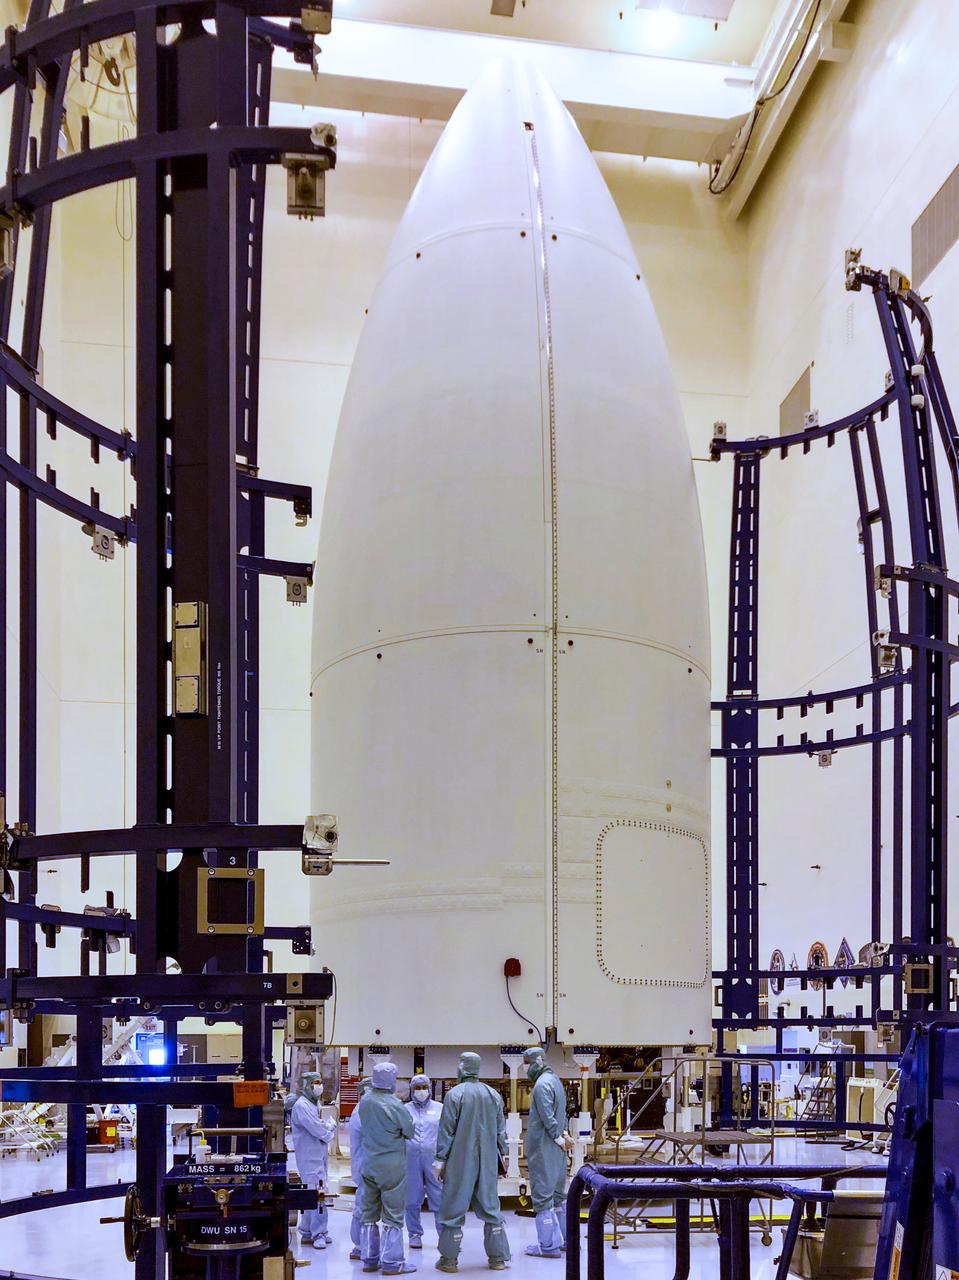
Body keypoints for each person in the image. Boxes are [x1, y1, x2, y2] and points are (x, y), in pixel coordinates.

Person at [433, 1052, 511, 1273]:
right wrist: (502, 1155)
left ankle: (448, 1261)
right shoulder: (492, 1094)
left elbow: (447, 1131)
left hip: (460, 1161)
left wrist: (440, 1159)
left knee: (453, 1208)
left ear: (462, 1067)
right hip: (487, 1161)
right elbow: (500, 1131)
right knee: (491, 1207)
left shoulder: (455, 1095)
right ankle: (498, 1258)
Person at [358, 1060, 416, 1275]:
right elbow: (409, 1131)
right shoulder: (394, 1104)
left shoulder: (365, 1101)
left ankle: (369, 1258)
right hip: (391, 1166)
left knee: (369, 1211)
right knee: (392, 1213)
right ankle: (392, 1262)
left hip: (369, 1163)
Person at [522, 1047, 572, 1258]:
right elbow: (562, 1114)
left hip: (544, 1148)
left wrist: (558, 1137)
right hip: (557, 1151)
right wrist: (564, 1137)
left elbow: (547, 1117)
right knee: (559, 1198)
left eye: (526, 1064)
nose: (526, 1068)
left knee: (543, 1199)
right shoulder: (555, 1081)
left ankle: (548, 1246)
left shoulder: (541, 1085)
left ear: (534, 1062)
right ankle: (567, 1241)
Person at [290, 1071, 338, 1249]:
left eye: (320, 1082)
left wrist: (326, 1128)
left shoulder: (313, 1103)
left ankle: (308, 1230)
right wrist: (330, 1130)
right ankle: (318, 1233)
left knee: (313, 1191)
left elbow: (319, 1126)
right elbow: (318, 1130)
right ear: (305, 1086)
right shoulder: (301, 1106)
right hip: (309, 1157)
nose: (319, 1086)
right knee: (317, 1193)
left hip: (317, 1154)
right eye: (314, 1083)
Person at [404, 1074, 443, 1248]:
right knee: (412, 1198)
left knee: (439, 1196)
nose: (421, 1091)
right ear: (412, 1090)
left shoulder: (440, 1108)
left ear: (430, 1088)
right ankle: (414, 1234)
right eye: (417, 1088)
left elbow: (446, 1133)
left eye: (424, 1087)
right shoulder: (405, 1110)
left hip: (434, 1160)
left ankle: (444, 1234)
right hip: (410, 1160)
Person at [349, 1077, 374, 1260]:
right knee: (363, 1207)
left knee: (365, 1206)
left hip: (368, 1166)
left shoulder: (364, 1109)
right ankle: (360, 1246)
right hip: (366, 1167)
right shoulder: (362, 1111)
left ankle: (363, 1246)